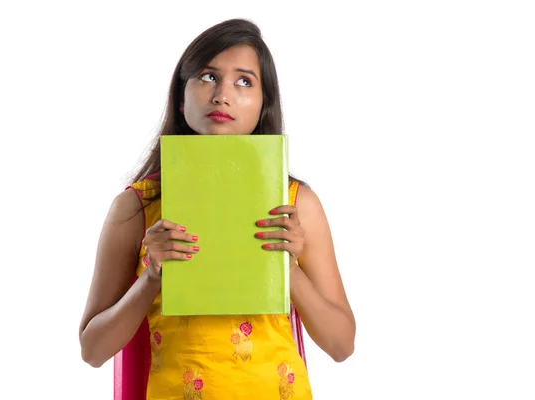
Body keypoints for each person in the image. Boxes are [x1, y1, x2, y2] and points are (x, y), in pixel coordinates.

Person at [79, 18, 355, 400]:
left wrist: (287, 270)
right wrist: (151, 278)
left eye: (244, 81)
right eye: (208, 77)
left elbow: (342, 345)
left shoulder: (294, 205)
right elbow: (92, 350)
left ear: (263, 104)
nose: (223, 95)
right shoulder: (137, 206)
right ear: (181, 95)